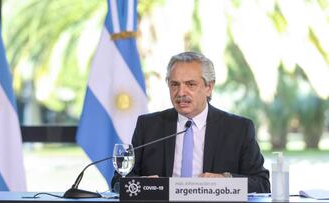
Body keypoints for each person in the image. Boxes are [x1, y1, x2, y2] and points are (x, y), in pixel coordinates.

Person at [111, 51, 270, 193]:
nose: (181, 93)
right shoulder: (148, 126)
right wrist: (141, 184)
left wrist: (225, 179)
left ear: (209, 87)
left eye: (190, 84)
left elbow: (262, 183)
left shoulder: (238, 129)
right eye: (174, 85)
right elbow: (118, 181)